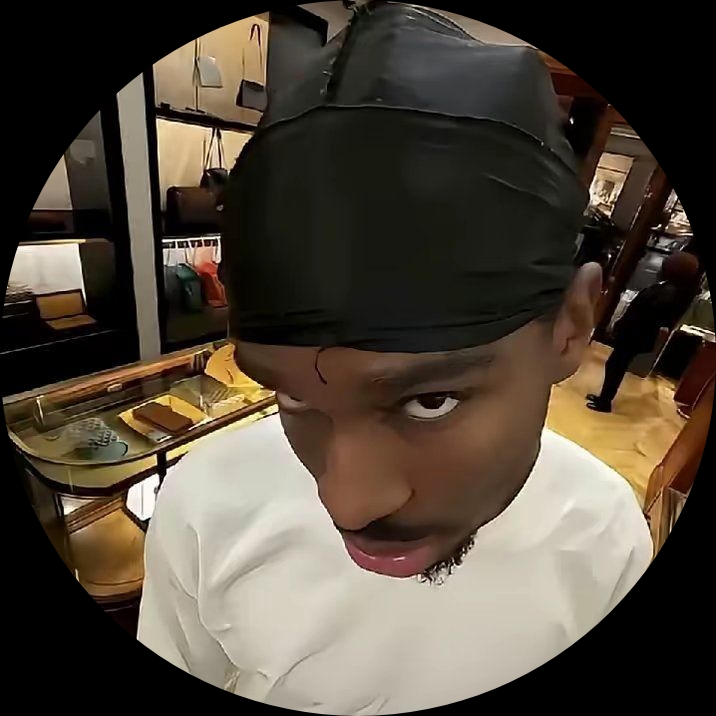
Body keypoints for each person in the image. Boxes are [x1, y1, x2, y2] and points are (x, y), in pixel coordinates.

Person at [137, 3, 652, 710]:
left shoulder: (604, 534)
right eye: (293, 395)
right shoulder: (206, 506)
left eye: (429, 401)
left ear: (570, 326)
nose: (346, 503)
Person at [586, 250, 701, 413]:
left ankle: (605, 402)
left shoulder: (666, 291)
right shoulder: (667, 288)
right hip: (634, 334)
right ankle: (603, 398)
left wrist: (622, 325)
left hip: (634, 335)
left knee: (615, 366)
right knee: (615, 366)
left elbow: (645, 315)